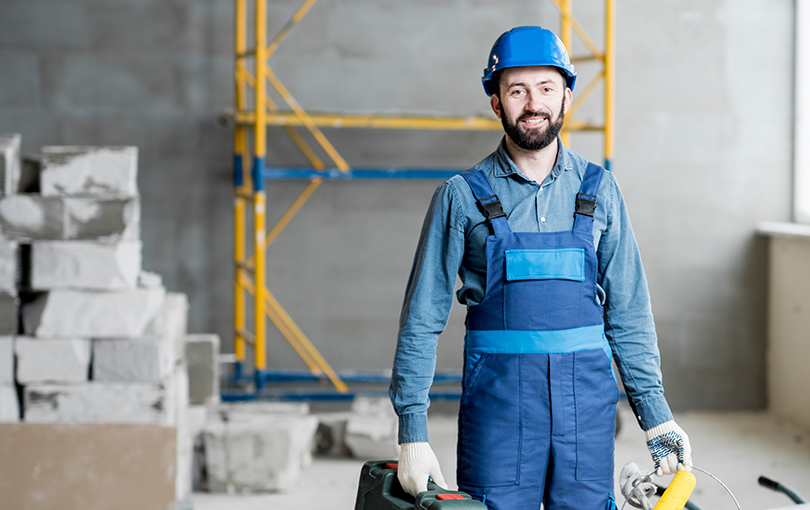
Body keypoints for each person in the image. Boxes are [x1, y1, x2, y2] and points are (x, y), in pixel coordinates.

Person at [388, 26, 692, 510]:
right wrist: (413, 433)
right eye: (517, 90)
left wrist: (656, 418)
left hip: (587, 414)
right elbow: (421, 321)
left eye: (547, 88)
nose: (534, 103)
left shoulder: (603, 191)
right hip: (500, 412)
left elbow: (629, 314)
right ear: (497, 103)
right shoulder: (460, 197)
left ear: (567, 96)